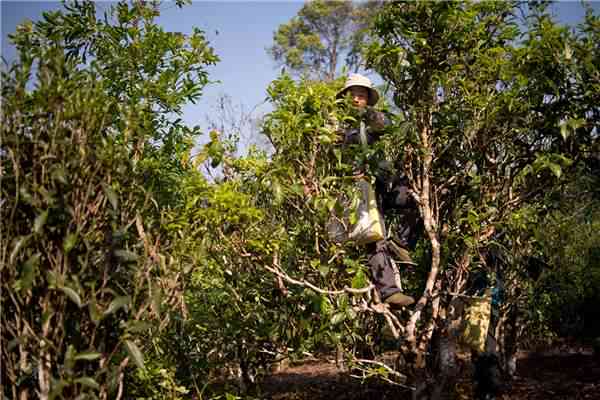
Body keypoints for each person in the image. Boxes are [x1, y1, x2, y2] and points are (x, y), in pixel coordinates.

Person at [335, 74, 421, 308]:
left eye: (361, 95)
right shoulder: (338, 128)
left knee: (415, 200)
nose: (356, 100)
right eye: (352, 95)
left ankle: (402, 242)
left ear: (367, 100)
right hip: (361, 190)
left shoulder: (374, 121)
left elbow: (388, 126)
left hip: (383, 182)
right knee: (374, 237)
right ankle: (390, 292)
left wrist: (367, 115)